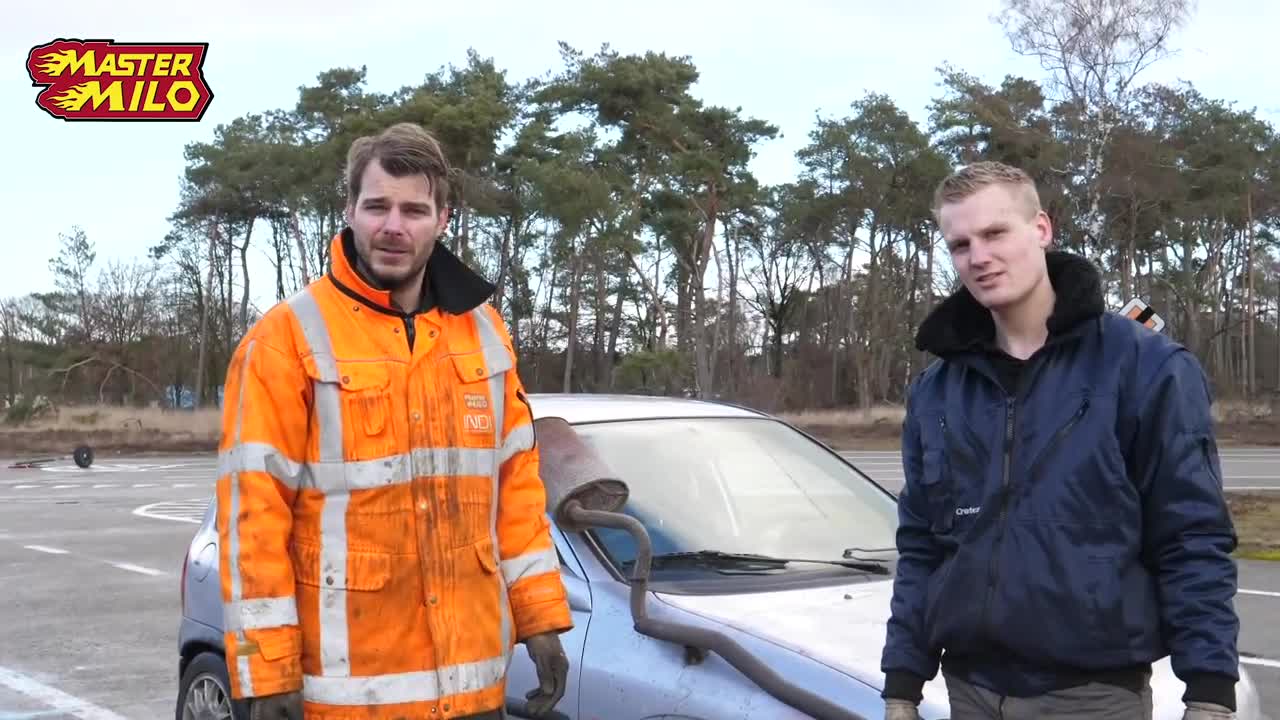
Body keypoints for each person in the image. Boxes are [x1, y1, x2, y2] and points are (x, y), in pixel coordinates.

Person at [215, 122, 573, 720]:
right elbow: (252, 517)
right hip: (346, 697)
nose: (393, 227)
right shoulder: (285, 341)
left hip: (471, 688)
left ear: (444, 218)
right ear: (349, 209)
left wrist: (539, 617)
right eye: (377, 205)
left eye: (414, 210)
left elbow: (516, 489)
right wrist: (266, 672)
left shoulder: (485, 332)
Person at [879, 161, 1240, 720]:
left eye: (995, 233)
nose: (978, 256)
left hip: (1091, 697)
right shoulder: (937, 389)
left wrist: (1211, 692)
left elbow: (1191, 536)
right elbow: (924, 544)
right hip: (970, 693)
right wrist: (902, 683)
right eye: (959, 244)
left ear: (1041, 229)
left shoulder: (1145, 367)